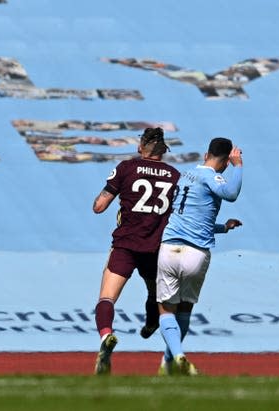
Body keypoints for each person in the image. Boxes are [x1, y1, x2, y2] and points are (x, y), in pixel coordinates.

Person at [92, 127, 180, 375]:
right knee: (156, 295)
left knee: (107, 297)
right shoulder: (174, 175)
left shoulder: (126, 168)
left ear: (140, 147)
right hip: (155, 247)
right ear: (162, 151)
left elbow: (99, 206)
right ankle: (152, 323)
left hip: (126, 244)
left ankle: (106, 335)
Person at [156, 137, 243, 376]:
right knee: (184, 310)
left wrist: (223, 227)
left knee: (165, 310)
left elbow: (191, 218)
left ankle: (172, 360)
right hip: (195, 253)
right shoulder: (213, 176)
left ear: (205, 154)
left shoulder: (186, 175)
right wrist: (239, 166)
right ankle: (172, 360)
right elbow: (231, 193)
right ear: (225, 162)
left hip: (169, 248)